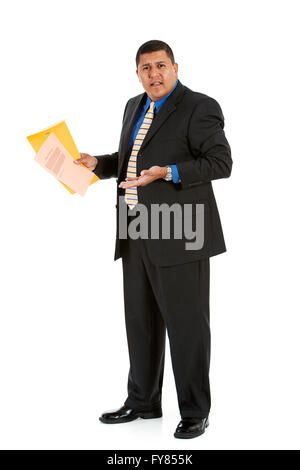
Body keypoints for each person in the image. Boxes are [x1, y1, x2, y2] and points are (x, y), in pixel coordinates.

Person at [74, 40, 232, 439]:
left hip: (181, 230)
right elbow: (129, 160)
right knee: (140, 322)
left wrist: (168, 172)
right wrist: (99, 164)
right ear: (138, 73)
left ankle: (195, 410)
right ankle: (143, 401)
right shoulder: (134, 106)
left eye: (161, 65)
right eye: (146, 68)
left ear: (175, 67)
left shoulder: (199, 106)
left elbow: (220, 162)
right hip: (135, 228)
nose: (154, 74)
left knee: (187, 326)